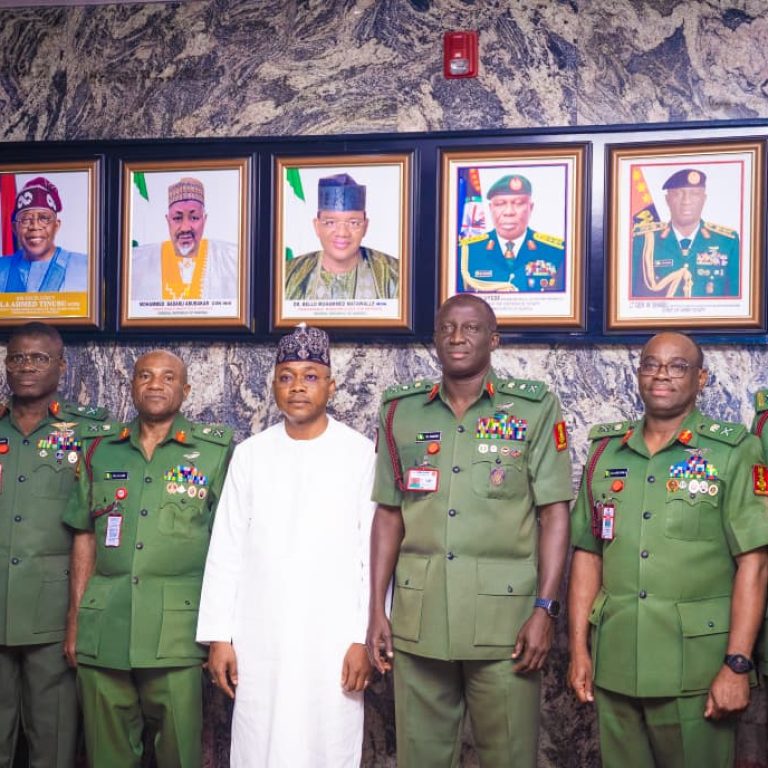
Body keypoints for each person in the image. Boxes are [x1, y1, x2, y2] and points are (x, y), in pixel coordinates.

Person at [367, 294, 573, 767]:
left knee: (510, 757)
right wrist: (377, 609)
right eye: (447, 328)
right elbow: (389, 513)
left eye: (471, 328)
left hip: (506, 626)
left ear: (494, 339)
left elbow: (554, 514)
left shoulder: (534, 408)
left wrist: (545, 609)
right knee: (419, 759)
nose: (457, 337)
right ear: (435, 338)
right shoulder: (401, 411)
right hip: (419, 620)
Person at [568, 332, 768, 768]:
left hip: (697, 670)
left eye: (678, 366)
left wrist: (737, 664)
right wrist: (580, 650)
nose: (661, 374)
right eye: (650, 364)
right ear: (638, 373)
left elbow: (754, 563)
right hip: (615, 663)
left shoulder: (733, 452)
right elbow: (588, 554)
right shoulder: (605, 452)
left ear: (701, 379)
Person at [196, 325, 375, 767]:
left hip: (333, 638)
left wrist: (363, 640)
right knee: (260, 740)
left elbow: (371, 557)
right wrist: (219, 636)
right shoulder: (251, 454)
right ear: (273, 386)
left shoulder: (360, 454)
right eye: (286, 377)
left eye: (311, 376)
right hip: (260, 636)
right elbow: (226, 549)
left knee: (328, 741)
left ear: (331, 386)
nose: (297, 387)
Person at [63, 350, 233, 768]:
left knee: (180, 755)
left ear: (186, 389)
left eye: (168, 377)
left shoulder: (216, 451)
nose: (155, 384)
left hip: (178, 634)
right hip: (104, 629)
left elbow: (230, 546)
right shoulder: (99, 448)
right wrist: (76, 620)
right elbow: (84, 535)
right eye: (145, 375)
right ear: (131, 385)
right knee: (106, 756)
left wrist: (222, 633)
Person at [0, 321, 108, 768]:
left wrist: (81, 614)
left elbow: (100, 521)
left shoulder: (90, 433)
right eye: (17, 358)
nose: (26, 366)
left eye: (39, 358)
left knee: (54, 744)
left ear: (61, 366)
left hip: (53, 614)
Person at [284, 173, 399, 300]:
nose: (342, 233)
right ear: (317, 226)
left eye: (353, 223)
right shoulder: (287, 276)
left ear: (365, 227)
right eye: (330, 222)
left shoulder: (395, 276)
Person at [631, 169, 740, 298]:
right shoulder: (642, 241)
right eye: (678, 194)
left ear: (704, 199)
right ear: (667, 199)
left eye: (694, 194)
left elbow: (737, 299)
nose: (686, 201)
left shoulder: (727, 242)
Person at [131, 177, 238, 301]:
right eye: (177, 218)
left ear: (204, 220)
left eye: (194, 218)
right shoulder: (137, 262)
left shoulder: (231, 260)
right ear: (168, 220)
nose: (185, 227)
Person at [458, 173, 566, 293]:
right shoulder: (467, 251)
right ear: (490, 208)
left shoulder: (556, 251)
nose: (509, 212)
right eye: (500, 204)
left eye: (518, 203)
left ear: (531, 207)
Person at [0, 176, 88, 292]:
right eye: (25, 219)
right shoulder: (2, 268)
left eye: (44, 218)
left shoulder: (86, 267)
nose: (35, 226)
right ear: (14, 228)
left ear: (56, 225)